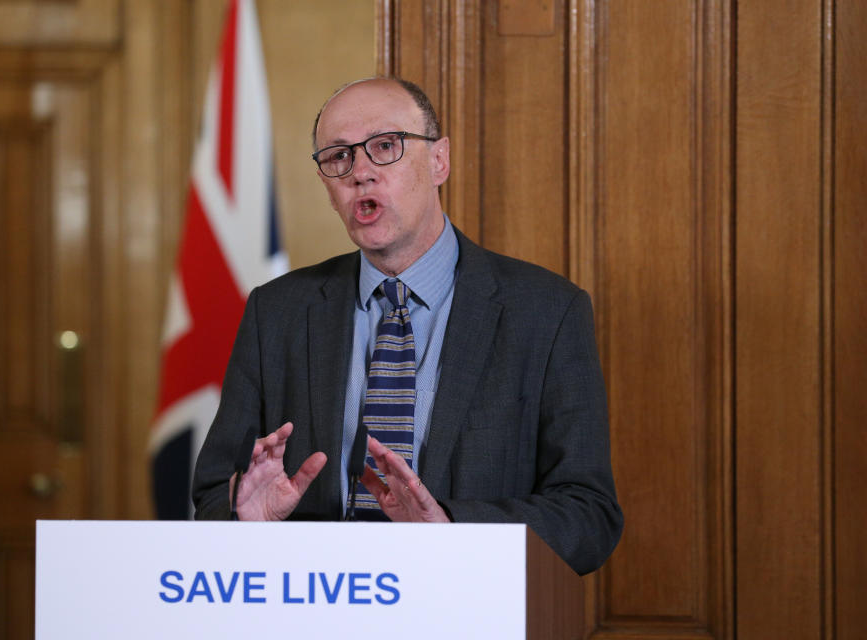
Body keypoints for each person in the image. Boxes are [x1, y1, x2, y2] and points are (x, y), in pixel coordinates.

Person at [192, 77, 623, 575]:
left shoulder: (547, 311)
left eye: (385, 147)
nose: (361, 174)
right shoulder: (278, 311)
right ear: (328, 188)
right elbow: (213, 490)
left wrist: (450, 531)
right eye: (339, 157)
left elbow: (589, 515)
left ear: (439, 161)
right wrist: (245, 518)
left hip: (465, 613)